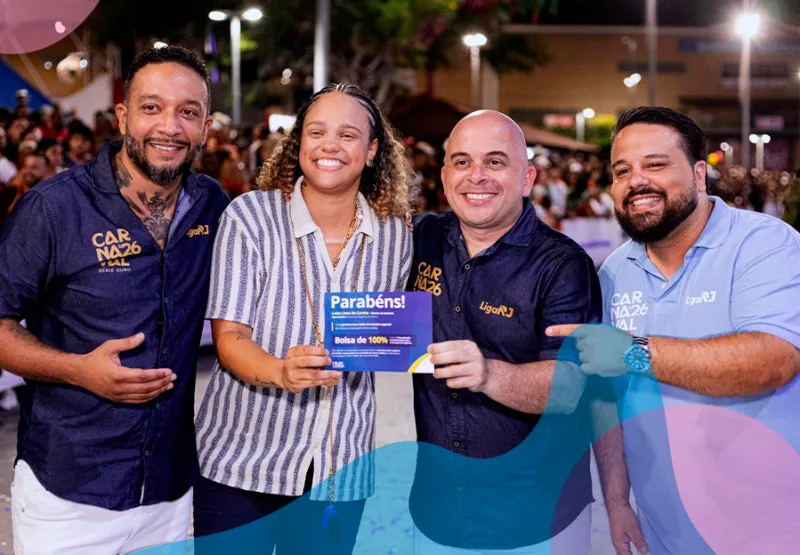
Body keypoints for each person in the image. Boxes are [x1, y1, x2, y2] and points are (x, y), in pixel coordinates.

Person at [0, 45, 228, 554]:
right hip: (69, 493)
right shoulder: (53, 209)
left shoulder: (213, 205)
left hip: (169, 492)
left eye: (187, 112)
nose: (169, 126)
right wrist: (77, 370)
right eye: (152, 107)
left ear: (205, 127)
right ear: (123, 116)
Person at [547, 107, 800, 554]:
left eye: (656, 164)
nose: (636, 181)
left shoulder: (764, 244)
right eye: (622, 171)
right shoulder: (614, 272)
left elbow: (773, 360)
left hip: (772, 532)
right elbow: (607, 401)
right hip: (664, 534)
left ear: (699, 174)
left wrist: (633, 351)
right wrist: (616, 501)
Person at [407, 110, 646, 555]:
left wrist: (488, 374)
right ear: (444, 177)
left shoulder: (562, 265)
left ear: (527, 178)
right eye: (462, 162)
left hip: (538, 521)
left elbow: (572, 386)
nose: (476, 176)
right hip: (437, 512)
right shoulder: (420, 239)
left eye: (495, 162)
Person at [193, 83, 415, 554]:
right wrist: (280, 371)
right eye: (317, 132)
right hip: (240, 464)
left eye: (348, 135)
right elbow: (229, 337)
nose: (330, 145)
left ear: (372, 151)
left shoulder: (395, 235)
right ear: (299, 144)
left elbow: (386, 337)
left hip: (340, 469)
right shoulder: (249, 217)